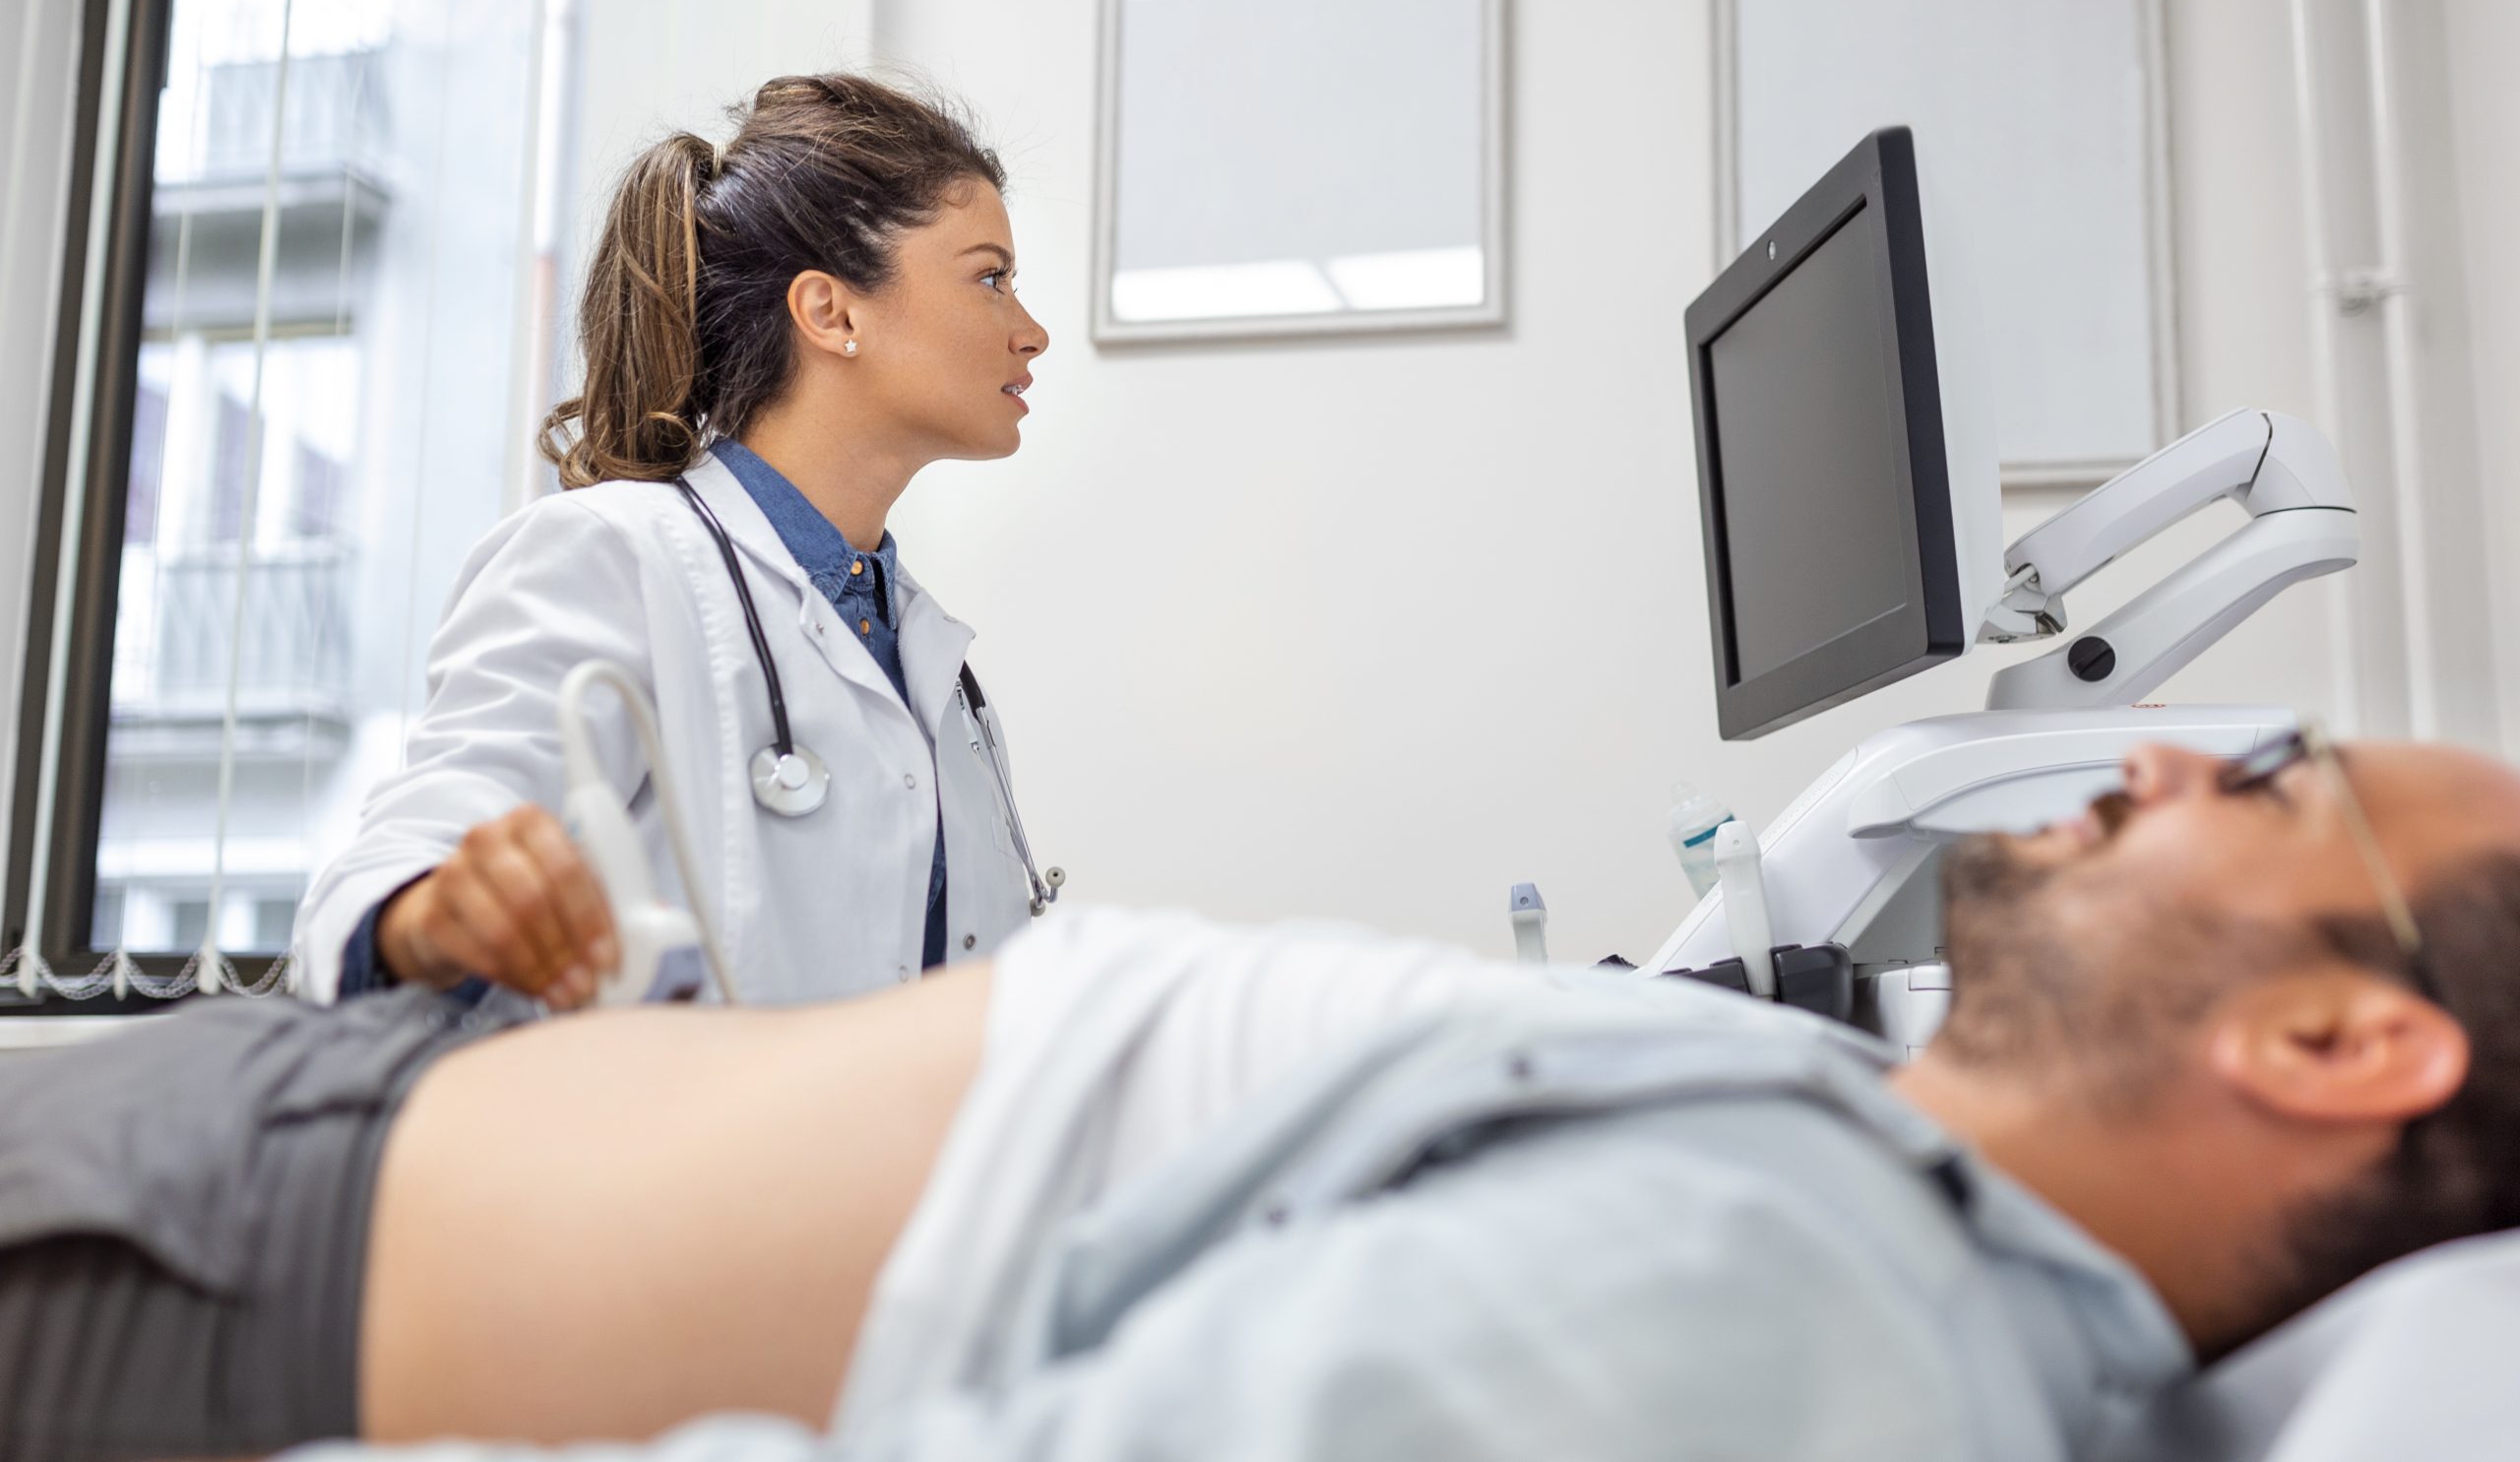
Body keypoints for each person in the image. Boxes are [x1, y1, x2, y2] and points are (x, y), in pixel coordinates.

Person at [8, 733, 2520, 1462]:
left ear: (2327, 1039)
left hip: (254, 1281)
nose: (2168, 744)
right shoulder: (1844, 1186)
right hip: (294, 1155)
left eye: (2276, 774)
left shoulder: (1806, 1296)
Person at [292, 73, 1054, 1009]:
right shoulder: (610, 558)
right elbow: (407, 860)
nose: (1032, 331)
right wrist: (435, 908)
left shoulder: (930, 662)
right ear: (831, 313)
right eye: (990, 278)